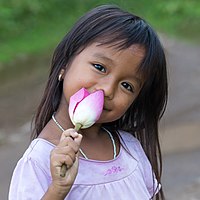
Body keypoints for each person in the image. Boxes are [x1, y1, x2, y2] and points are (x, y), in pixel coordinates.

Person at [9, 4, 167, 200]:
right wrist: (58, 189)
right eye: (100, 67)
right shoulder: (39, 160)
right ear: (64, 65)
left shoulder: (129, 148)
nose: (108, 90)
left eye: (127, 85)